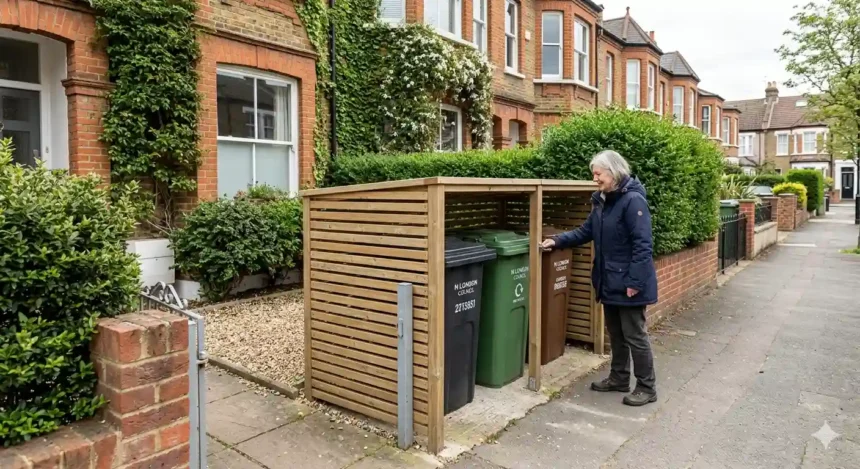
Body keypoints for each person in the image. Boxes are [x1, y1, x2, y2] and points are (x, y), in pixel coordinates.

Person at [541, 150, 658, 406]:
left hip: (628, 282)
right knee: (616, 334)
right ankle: (618, 378)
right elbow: (586, 231)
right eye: (593, 174)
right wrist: (558, 240)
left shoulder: (633, 201)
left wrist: (635, 283)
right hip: (608, 280)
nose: (595, 179)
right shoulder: (602, 201)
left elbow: (643, 245)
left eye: (598, 174)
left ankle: (647, 388)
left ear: (613, 172)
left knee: (635, 335)